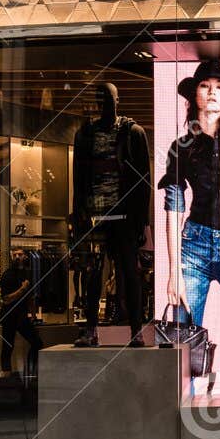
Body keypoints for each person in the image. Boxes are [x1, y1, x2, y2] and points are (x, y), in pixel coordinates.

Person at [158, 60, 220, 338]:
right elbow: (174, 209)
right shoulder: (181, 148)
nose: (212, 91)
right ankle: (189, 382)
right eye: (204, 85)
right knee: (180, 335)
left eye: (219, 87)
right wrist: (174, 270)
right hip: (194, 247)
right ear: (194, 95)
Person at [72, 80, 151, 345]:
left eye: (108, 99)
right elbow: (78, 177)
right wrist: (78, 214)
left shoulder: (133, 133)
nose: (103, 104)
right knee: (93, 274)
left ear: (117, 101)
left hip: (124, 217)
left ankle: (136, 330)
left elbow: (144, 181)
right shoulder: (85, 134)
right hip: (95, 216)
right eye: (99, 99)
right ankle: (91, 329)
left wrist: (142, 223)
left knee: (129, 274)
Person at [0, 246, 43, 374]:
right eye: (15, 255)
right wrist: (22, 289)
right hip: (9, 316)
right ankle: (6, 378)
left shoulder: (26, 273)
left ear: (25, 256)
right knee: (7, 348)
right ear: (12, 257)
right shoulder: (7, 275)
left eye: (20, 254)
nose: (17, 257)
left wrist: (33, 315)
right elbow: (6, 299)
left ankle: (31, 373)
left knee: (37, 343)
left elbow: (29, 296)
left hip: (22, 316)